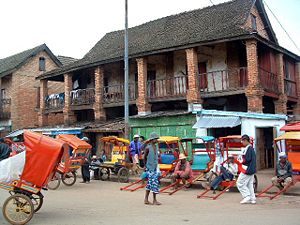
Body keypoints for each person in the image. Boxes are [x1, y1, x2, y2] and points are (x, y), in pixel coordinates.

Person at [237, 134, 256, 204]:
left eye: (242, 141)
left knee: (239, 183)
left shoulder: (249, 149)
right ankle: (252, 198)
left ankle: (246, 196)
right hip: (251, 169)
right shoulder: (250, 148)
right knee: (249, 184)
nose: (242, 142)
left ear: (245, 140)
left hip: (247, 169)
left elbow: (247, 159)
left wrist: (240, 161)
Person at [144, 132, 161, 205]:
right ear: (152, 139)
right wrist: (145, 166)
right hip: (150, 168)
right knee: (154, 183)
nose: (157, 140)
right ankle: (154, 200)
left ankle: (146, 199)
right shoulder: (148, 147)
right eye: (156, 139)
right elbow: (144, 157)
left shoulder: (156, 147)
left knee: (149, 184)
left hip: (155, 167)